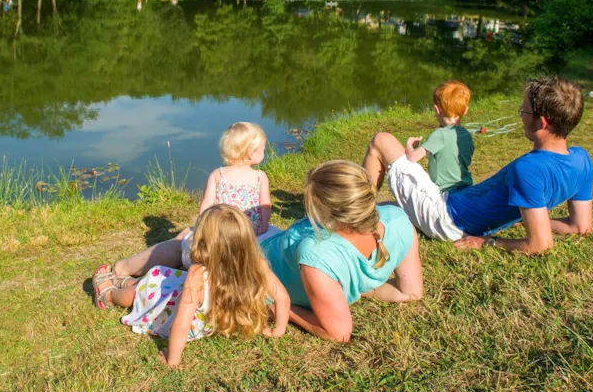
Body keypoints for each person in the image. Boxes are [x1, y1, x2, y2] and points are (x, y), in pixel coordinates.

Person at [363, 76, 593, 255]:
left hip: (446, 217)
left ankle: (352, 209)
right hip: (457, 209)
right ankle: (364, 215)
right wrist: (533, 220)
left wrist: (487, 241)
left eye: (523, 111)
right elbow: (580, 226)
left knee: (381, 141)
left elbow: (541, 245)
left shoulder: (529, 169)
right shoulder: (582, 160)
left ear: (542, 122)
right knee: (386, 208)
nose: (521, 117)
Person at [92, 205, 290, 368]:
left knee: (142, 292)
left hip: (189, 317)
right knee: (161, 278)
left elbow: (182, 321)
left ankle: (109, 296)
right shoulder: (257, 263)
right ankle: (129, 282)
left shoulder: (197, 274)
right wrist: (278, 330)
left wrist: (173, 358)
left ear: (205, 243)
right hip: (207, 315)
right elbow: (282, 297)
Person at [261, 160, 423, 342]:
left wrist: (284, 308)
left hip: (261, 260)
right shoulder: (398, 219)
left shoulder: (317, 253)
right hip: (258, 258)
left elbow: (339, 333)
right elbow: (410, 292)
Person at [177, 122, 277, 269]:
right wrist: (262, 229)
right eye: (262, 149)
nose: (264, 152)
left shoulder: (218, 174)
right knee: (276, 237)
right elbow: (265, 206)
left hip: (221, 231)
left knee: (188, 239)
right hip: (249, 232)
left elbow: (207, 204)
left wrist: (205, 228)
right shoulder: (260, 177)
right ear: (251, 152)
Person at [405, 80, 474, 191]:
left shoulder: (440, 134)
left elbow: (412, 157)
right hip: (465, 189)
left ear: (436, 109)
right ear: (465, 110)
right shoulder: (466, 135)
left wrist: (409, 145)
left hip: (444, 193)